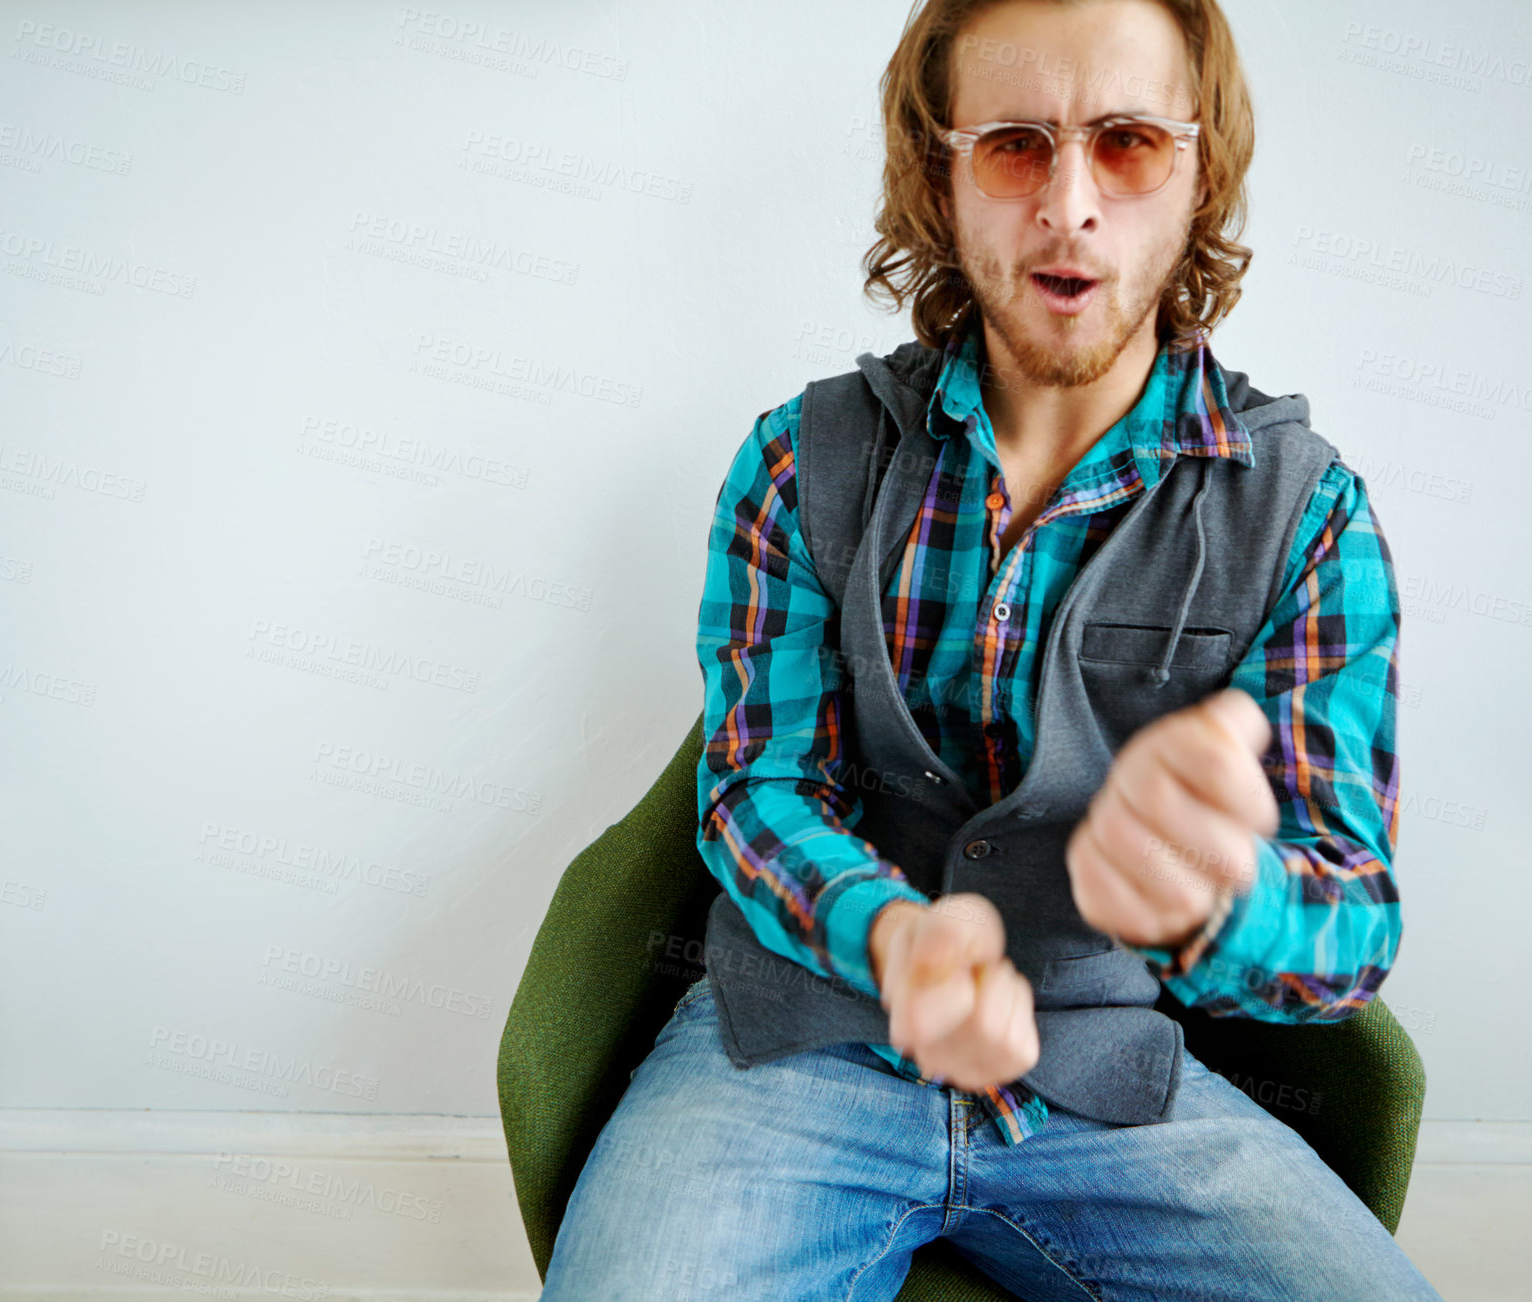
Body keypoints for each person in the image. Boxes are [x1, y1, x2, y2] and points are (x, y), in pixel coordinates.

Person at [539, 1, 1443, 1298]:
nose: (1071, 203)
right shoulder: (797, 462)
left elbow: (1350, 925)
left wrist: (1206, 896)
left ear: (1200, 172)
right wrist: (896, 939)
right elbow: (758, 792)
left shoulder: (1306, 514)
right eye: (1016, 143)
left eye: (1127, 141)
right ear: (940, 173)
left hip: (1111, 1083)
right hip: (787, 1055)